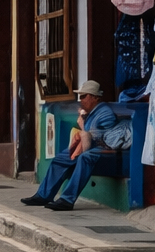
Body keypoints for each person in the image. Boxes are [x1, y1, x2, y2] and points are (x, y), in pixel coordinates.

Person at [21, 80, 118, 212]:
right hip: (91, 146)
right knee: (61, 158)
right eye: (80, 97)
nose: (81, 100)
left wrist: (83, 125)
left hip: (107, 149)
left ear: (95, 97)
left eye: (84, 96)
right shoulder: (91, 112)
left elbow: (102, 139)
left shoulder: (105, 113)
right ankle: (43, 195)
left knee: (85, 157)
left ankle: (67, 200)